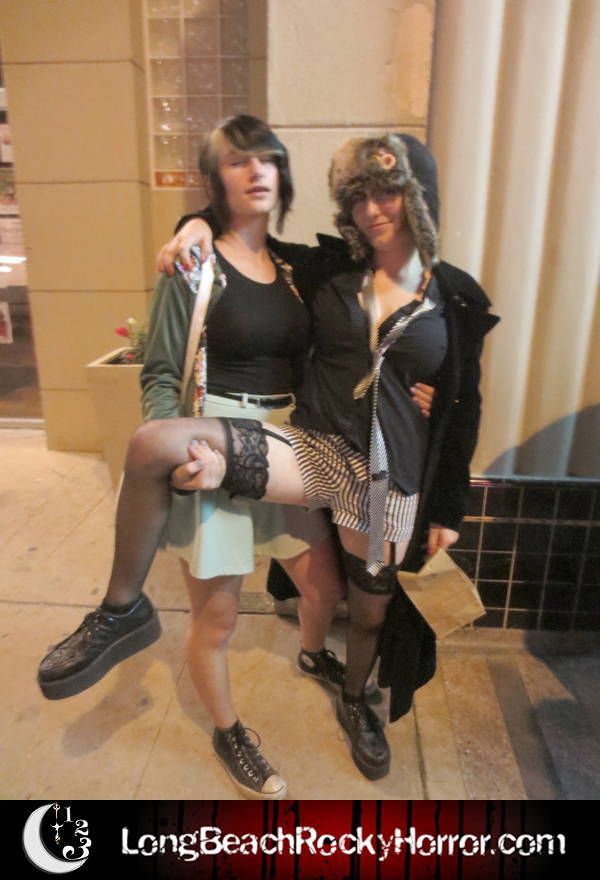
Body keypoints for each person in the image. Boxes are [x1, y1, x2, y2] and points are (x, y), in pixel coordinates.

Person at [37, 117, 433, 799]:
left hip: (290, 440)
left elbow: (369, 316)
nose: (256, 172)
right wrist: (174, 443)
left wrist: (418, 388)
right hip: (211, 437)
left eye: (268, 160)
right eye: (237, 161)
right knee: (218, 617)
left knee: (323, 588)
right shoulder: (194, 265)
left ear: (283, 176)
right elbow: (161, 372)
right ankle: (227, 729)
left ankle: (312, 655)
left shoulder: (297, 267)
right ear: (214, 179)